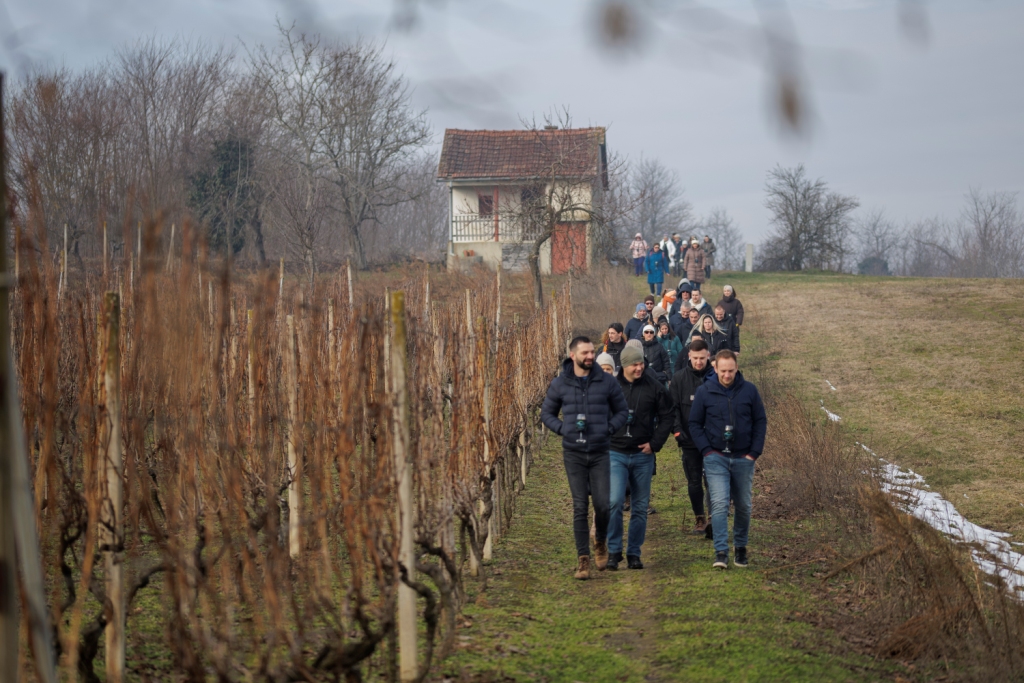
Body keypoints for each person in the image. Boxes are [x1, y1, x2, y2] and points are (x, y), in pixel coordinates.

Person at [541, 337, 629, 580]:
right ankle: (583, 560)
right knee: (580, 505)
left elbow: (622, 411)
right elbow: (546, 413)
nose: (591, 356)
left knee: (603, 504)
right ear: (573, 356)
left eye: (592, 352)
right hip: (574, 453)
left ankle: (600, 540)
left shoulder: (607, 382)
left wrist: (608, 428)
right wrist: (562, 429)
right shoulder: (560, 384)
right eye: (585, 353)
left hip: (601, 451)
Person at [689, 349, 767, 570]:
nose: (727, 375)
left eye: (731, 371)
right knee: (720, 504)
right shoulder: (704, 392)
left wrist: (754, 452)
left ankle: (740, 548)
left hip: (744, 457)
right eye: (722, 371)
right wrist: (706, 450)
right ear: (714, 368)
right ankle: (721, 551)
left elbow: (760, 421)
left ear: (737, 368)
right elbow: (694, 424)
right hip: (716, 457)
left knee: (743, 505)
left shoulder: (750, 391)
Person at [607, 346, 674, 570]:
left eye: (641, 364)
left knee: (640, 506)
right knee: (615, 502)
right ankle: (614, 551)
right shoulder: (611, 387)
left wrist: (655, 444)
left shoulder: (655, 387)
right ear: (624, 365)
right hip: (615, 453)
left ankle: (634, 553)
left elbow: (667, 415)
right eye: (634, 364)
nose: (639, 368)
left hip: (643, 456)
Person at [670, 339, 713, 535]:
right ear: (689, 356)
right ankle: (699, 518)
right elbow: (673, 409)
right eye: (695, 358)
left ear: (708, 356)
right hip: (689, 440)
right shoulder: (679, 379)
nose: (698, 362)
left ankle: (714, 517)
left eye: (702, 358)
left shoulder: (716, 376)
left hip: (713, 439)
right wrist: (678, 432)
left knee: (713, 480)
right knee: (694, 481)